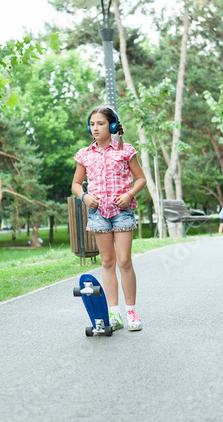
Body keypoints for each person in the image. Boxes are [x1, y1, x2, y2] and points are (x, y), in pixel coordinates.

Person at [72, 106, 147, 332]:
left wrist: (129, 194)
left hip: (122, 212)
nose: (95, 128)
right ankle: (113, 314)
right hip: (98, 214)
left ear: (112, 126)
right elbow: (76, 184)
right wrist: (84, 197)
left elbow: (141, 179)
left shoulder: (125, 150)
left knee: (124, 261)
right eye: (92, 124)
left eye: (101, 124)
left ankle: (131, 311)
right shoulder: (84, 154)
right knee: (107, 262)